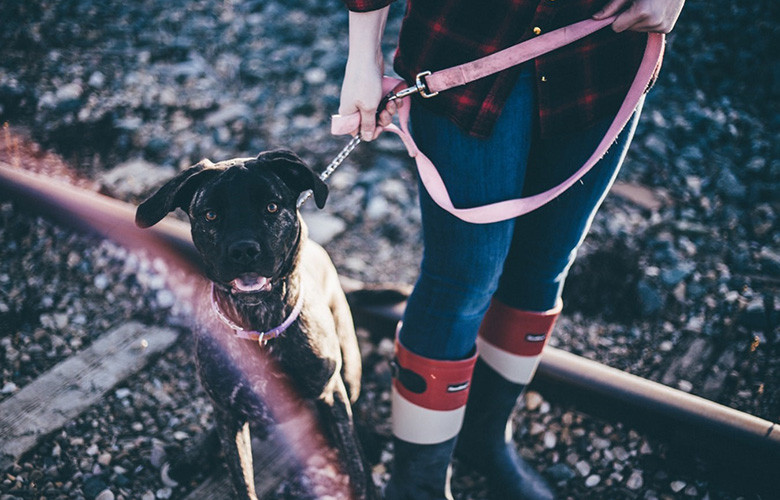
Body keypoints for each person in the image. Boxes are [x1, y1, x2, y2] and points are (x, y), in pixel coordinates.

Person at [338, 1, 685, 499]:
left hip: (604, 54)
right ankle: (416, 485)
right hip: (465, 50)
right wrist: (362, 57)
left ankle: (483, 437)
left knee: (544, 267)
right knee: (462, 280)